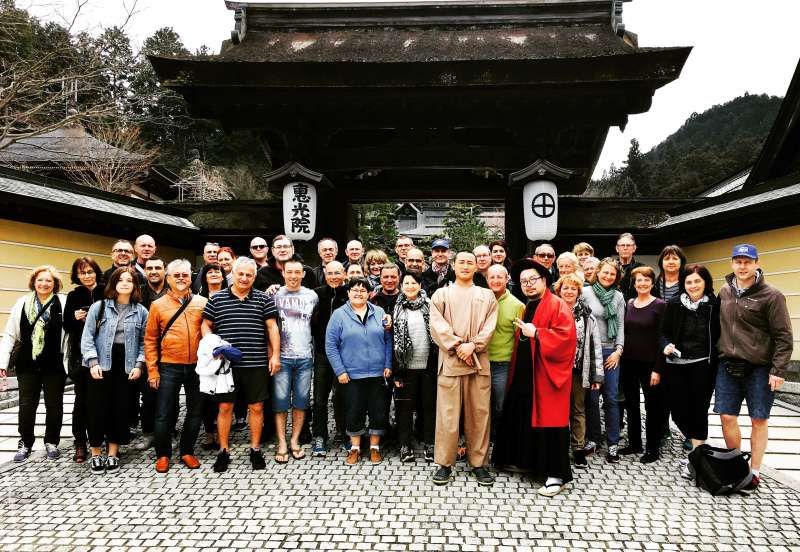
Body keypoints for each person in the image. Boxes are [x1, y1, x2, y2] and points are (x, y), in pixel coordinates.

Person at [493, 259, 576, 497]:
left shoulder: (557, 305)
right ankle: (525, 462)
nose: (528, 285)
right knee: (522, 413)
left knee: (550, 422)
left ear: (544, 280)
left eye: (533, 280)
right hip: (525, 373)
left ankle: (556, 475)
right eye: (523, 281)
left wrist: (537, 333)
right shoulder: (528, 305)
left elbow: (566, 339)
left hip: (546, 375)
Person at [714, 244, 792, 490]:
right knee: (727, 416)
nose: (742, 265)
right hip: (728, 364)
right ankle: (736, 465)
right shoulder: (725, 292)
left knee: (759, 419)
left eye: (747, 261)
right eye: (738, 261)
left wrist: (778, 370)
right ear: (732, 263)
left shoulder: (772, 296)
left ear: (757, 263)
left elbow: (784, 336)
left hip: (760, 368)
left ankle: (755, 471)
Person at [201, 257, 281, 472]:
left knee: (256, 406)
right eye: (241, 274)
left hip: (255, 362)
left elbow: (272, 328)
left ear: (254, 277)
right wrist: (212, 346)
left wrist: (275, 356)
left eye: (249, 275)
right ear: (233, 275)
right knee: (225, 407)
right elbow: (206, 325)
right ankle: (224, 450)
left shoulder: (263, 299)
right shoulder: (217, 299)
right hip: (226, 365)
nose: (244, 278)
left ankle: (255, 449)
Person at [429, 251, 498, 486]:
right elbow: (436, 326)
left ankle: (478, 463)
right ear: (453, 266)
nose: (466, 266)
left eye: (470, 262)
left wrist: (473, 346)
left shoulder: (487, 295)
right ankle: (445, 464)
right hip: (450, 363)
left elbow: (490, 326)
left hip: (478, 364)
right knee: (448, 417)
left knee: (479, 415)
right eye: (462, 262)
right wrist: (459, 346)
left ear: (476, 267)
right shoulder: (442, 294)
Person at [80, 267, 148, 473]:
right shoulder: (99, 307)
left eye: (130, 280)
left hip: (126, 366)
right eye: (121, 280)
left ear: (135, 286)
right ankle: (96, 454)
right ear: (113, 284)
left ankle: (113, 453)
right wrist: (92, 362)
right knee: (96, 410)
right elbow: (87, 337)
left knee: (120, 410)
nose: (125, 283)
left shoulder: (141, 311)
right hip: (100, 365)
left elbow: (145, 343)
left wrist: (139, 365)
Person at [144, 260, 208, 473]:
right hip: (169, 365)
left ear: (191, 277)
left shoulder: (202, 302)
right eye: (176, 275)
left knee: (195, 411)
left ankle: (187, 451)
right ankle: (163, 455)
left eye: (185, 275)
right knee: (163, 413)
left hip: (197, 367)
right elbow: (150, 340)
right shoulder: (158, 305)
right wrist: (152, 370)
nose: (181, 278)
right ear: (168, 278)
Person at [0, 266, 68, 463]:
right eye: (40, 280)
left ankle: (52, 441)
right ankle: (26, 442)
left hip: (54, 364)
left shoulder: (62, 302)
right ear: (34, 282)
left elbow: (70, 333)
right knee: (27, 404)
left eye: (49, 280)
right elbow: (10, 335)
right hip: (27, 363)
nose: (44, 284)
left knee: (54, 405)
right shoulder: (22, 303)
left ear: (55, 284)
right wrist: (2, 363)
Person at [659, 264, 720, 477]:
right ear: (683, 284)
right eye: (689, 282)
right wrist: (665, 345)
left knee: (699, 410)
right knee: (678, 412)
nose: (693, 285)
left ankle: (697, 455)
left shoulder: (714, 304)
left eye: (697, 281)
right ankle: (696, 443)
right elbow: (663, 332)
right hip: (677, 366)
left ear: (705, 283)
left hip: (703, 365)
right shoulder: (674, 304)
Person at [325, 278, 393, 465]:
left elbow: (388, 341)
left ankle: (374, 447)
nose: (358, 293)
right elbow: (331, 346)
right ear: (348, 293)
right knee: (354, 411)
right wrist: (340, 371)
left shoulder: (379, 312)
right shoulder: (339, 315)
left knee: (378, 411)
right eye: (354, 290)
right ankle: (354, 448)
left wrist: (388, 364)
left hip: (378, 373)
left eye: (363, 290)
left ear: (369, 294)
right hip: (351, 374)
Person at [271, 257, 318, 463]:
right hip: (281, 357)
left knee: (301, 402)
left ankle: (295, 440)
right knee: (280, 403)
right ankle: (281, 442)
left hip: (305, 357)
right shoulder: (274, 295)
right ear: (283, 273)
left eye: (297, 272)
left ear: (303, 274)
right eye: (289, 272)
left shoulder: (312, 296)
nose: (293, 276)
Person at [555, 273, 602, 469]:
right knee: (558, 410)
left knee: (577, 409)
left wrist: (596, 374)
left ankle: (578, 449)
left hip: (577, 369)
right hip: (556, 370)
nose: (569, 291)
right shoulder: (553, 310)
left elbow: (595, 345)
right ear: (559, 290)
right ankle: (558, 447)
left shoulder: (587, 315)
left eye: (573, 288)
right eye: (565, 288)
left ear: (578, 292)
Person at [620, 266, 667, 463]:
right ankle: (634, 443)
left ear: (652, 283)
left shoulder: (660, 305)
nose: (643, 283)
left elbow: (663, 337)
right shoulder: (629, 304)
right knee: (631, 405)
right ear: (634, 283)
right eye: (639, 280)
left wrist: (658, 368)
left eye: (646, 280)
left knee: (652, 406)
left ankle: (652, 448)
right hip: (629, 362)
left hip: (651, 364)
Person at [581, 257, 625, 462]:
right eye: (605, 272)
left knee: (611, 398)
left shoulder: (618, 297)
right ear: (598, 272)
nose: (608, 276)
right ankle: (593, 438)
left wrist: (618, 350)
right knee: (591, 397)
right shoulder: (585, 292)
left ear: (616, 278)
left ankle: (613, 442)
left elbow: (622, 326)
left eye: (612, 274)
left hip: (610, 353)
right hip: (590, 352)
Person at [392, 272, 438, 462]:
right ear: (401, 285)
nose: (410, 286)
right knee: (404, 408)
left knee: (429, 407)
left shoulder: (430, 306)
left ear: (420, 285)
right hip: (405, 367)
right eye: (406, 283)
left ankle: (429, 444)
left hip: (428, 365)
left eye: (413, 282)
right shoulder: (396, 307)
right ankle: (405, 445)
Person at [63, 257, 105, 463]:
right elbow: (66, 326)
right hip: (81, 355)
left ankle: (99, 438)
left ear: (96, 272)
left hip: (105, 352)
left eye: (90, 271)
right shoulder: (73, 295)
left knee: (101, 399)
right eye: (82, 273)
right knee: (81, 401)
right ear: (77, 275)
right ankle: (80, 441)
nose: (87, 276)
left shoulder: (107, 291)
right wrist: (75, 317)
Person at [310, 261, 348, 457]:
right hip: (322, 354)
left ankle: (343, 432)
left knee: (342, 396)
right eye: (330, 273)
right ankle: (320, 436)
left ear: (344, 274)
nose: (334, 276)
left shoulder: (350, 293)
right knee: (319, 398)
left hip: (345, 354)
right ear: (324, 274)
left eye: (337, 273)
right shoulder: (316, 294)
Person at [486, 264, 524, 441]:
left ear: (507, 279)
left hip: (503, 363)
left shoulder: (517, 305)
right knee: (482, 405)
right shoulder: (481, 300)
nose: (495, 280)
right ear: (486, 279)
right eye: (491, 277)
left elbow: (519, 338)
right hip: (481, 362)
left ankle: (500, 438)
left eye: (499, 277)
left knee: (501, 405)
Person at [135, 256, 169, 450]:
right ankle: (148, 433)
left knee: (169, 395)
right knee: (147, 395)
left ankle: (168, 431)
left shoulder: (172, 291)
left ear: (164, 270)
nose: (154, 271)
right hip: (145, 348)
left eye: (158, 267)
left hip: (169, 349)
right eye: (150, 268)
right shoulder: (138, 292)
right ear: (145, 270)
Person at [614, 232, 645, 301]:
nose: (625, 248)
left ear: (634, 248)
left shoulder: (642, 268)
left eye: (628, 245)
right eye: (622, 245)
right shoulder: (610, 267)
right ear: (617, 248)